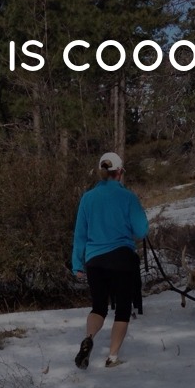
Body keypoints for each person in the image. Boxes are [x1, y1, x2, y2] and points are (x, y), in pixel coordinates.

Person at [71, 151, 150, 369]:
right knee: (122, 310)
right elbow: (142, 231)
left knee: (98, 307)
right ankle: (112, 357)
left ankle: (89, 338)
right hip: (122, 259)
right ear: (120, 172)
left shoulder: (87, 198)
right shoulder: (128, 197)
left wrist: (77, 264)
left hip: (95, 261)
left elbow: (80, 235)